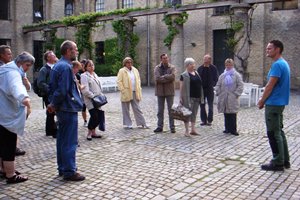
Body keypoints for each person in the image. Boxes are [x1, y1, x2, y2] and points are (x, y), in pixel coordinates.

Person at [47, 40, 85, 181]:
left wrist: (53, 104)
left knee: (62, 140)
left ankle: (63, 168)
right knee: (69, 141)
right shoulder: (66, 67)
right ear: (68, 51)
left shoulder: (58, 65)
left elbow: (54, 88)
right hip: (67, 108)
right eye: (75, 49)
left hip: (62, 108)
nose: (77, 51)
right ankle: (69, 171)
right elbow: (62, 90)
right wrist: (53, 104)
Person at [0, 51, 35, 184]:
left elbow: (23, 85)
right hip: (7, 115)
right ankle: (10, 174)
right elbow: (16, 87)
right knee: (9, 145)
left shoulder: (5, 69)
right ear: (19, 63)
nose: (27, 68)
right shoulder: (13, 73)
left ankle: (2, 169)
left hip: (2, 112)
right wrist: (25, 98)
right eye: (27, 65)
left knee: (1, 144)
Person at [258, 40, 290, 171]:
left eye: (270, 48)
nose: (267, 51)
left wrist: (262, 101)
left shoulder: (277, 65)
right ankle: (285, 160)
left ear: (277, 49)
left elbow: (270, 86)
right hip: (280, 103)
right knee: (279, 132)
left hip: (274, 103)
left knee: (273, 133)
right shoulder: (284, 63)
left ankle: (278, 162)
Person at [0, 45, 26, 156]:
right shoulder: (6, 70)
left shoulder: (10, 67)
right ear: (1, 55)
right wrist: (23, 97)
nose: (11, 56)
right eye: (8, 54)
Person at [117, 57, 149, 129]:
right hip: (126, 92)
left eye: (130, 62)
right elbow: (119, 82)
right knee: (126, 109)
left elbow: (138, 80)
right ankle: (128, 124)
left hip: (135, 91)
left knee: (137, 108)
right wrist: (123, 90)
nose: (129, 64)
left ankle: (142, 123)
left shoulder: (135, 70)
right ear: (125, 63)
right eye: (128, 62)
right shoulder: (122, 71)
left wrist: (139, 88)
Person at [215, 58, 243, 136]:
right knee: (226, 113)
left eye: (230, 65)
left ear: (232, 65)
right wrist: (218, 91)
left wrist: (236, 94)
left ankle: (233, 129)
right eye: (227, 65)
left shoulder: (236, 75)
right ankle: (227, 128)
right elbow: (218, 84)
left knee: (233, 113)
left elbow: (240, 85)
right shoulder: (222, 75)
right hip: (224, 97)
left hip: (232, 97)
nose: (228, 66)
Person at [180, 58, 204, 137]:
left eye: (194, 64)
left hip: (197, 96)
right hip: (188, 97)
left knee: (194, 114)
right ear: (188, 65)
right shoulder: (184, 75)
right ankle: (186, 131)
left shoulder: (196, 73)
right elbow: (181, 87)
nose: (194, 65)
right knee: (187, 114)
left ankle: (193, 130)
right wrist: (181, 97)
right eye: (192, 64)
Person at [80, 59, 104, 140]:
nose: (92, 67)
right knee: (94, 116)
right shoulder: (84, 76)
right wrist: (93, 96)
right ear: (86, 67)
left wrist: (100, 95)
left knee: (99, 117)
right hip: (90, 100)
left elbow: (99, 87)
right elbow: (85, 90)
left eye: (93, 65)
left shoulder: (95, 74)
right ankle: (89, 133)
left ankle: (94, 132)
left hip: (98, 100)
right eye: (89, 66)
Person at [37, 50, 58, 138]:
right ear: (48, 58)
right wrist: (50, 89)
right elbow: (40, 83)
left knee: (56, 111)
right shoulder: (44, 69)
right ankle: (51, 131)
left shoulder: (57, 66)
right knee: (51, 112)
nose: (55, 56)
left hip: (57, 93)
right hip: (48, 94)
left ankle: (52, 130)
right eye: (52, 55)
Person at [153, 54, 176, 133]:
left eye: (166, 58)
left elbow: (173, 77)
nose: (166, 59)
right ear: (161, 59)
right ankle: (160, 126)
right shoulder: (157, 68)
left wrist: (163, 77)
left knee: (171, 110)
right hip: (160, 92)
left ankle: (172, 127)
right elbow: (157, 78)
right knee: (160, 111)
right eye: (164, 58)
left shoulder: (172, 67)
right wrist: (167, 78)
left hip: (170, 91)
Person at [197, 54, 219, 126]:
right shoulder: (200, 68)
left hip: (210, 89)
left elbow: (216, 78)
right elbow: (197, 78)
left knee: (210, 105)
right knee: (202, 105)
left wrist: (213, 84)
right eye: (204, 60)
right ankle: (204, 120)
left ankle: (209, 120)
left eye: (207, 60)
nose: (205, 61)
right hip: (202, 90)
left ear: (210, 60)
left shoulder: (213, 68)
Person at [79, 59, 88, 127]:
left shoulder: (89, 72)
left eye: (83, 65)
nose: (81, 66)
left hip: (89, 92)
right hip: (82, 93)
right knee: (83, 107)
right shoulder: (79, 73)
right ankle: (85, 121)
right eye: (81, 65)